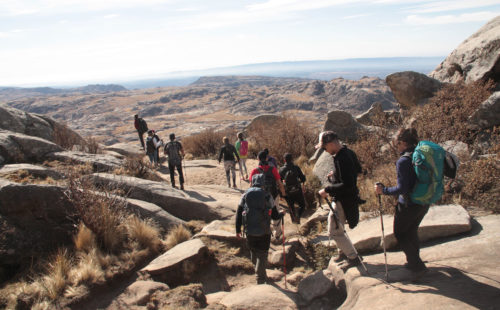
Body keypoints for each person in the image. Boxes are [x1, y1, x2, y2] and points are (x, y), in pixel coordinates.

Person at [375, 128, 429, 280]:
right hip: (424, 202)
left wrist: (383, 190)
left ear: (404, 143)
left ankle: (417, 266)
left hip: (408, 204)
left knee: (400, 234)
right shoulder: (422, 154)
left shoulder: (404, 161)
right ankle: (413, 262)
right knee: (411, 231)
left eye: (397, 143)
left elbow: (402, 188)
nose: (396, 146)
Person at [317, 131, 362, 269]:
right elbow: (358, 170)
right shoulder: (348, 152)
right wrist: (336, 174)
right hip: (348, 197)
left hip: (343, 199)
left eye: (324, 147)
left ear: (330, 143)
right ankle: (342, 252)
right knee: (338, 225)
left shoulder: (341, 158)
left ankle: (353, 257)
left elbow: (347, 184)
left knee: (334, 229)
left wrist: (328, 190)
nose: (324, 150)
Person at [235, 174, 275, 284]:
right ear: (263, 183)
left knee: (254, 252)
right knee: (262, 255)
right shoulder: (267, 195)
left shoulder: (245, 195)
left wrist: (238, 229)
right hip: (264, 231)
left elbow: (239, 213)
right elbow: (275, 214)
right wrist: (281, 215)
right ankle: (260, 278)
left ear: (252, 182)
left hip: (249, 230)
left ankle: (260, 272)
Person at [249, 151, 286, 241]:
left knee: (262, 214)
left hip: (260, 197)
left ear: (258, 159)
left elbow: (251, 185)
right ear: (267, 158)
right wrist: (283, 193)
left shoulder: (255, 171)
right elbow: (279, 183)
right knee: (275, 212)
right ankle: (277, 234)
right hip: (273, 195)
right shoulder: (272, 169)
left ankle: (263, 233)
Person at [279, 153, 306, 224]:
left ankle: (295, 224)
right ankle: (298, 215)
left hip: (288, 191)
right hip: (297, 190)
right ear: (292, 159)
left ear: (284, 160)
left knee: (291, 207)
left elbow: (279, 183)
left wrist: (281, 194)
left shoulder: (281, 170)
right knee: (302, 205)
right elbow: (303, 179)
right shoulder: (296, 168)